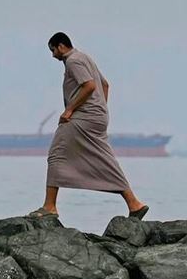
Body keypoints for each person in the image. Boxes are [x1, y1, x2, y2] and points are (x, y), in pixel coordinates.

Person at [28, 32, 149, 220]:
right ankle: (134, 204)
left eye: (53, 50)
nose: (53, 56)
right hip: (97, 117)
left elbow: (90, 85)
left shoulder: (73, 61)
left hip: (82, 117)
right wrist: (100, 109)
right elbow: (105, 85)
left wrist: (69, 110)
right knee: (105, 159)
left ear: (61, 46)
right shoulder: (85, 57)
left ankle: (49, 206)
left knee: (56, 153)